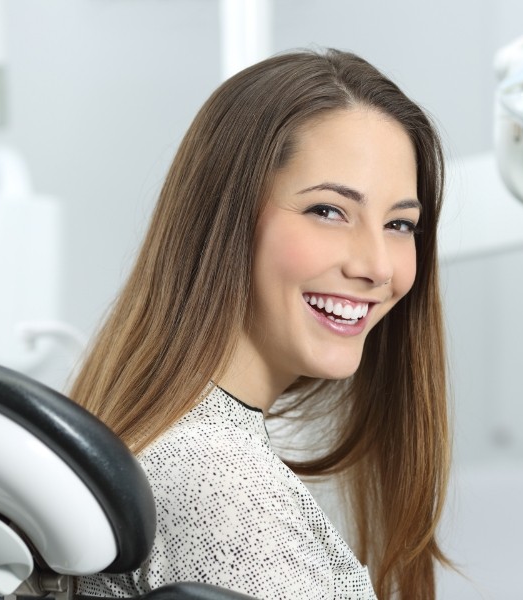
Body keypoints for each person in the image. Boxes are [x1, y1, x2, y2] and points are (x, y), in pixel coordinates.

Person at [72, 48, 450, 600]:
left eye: (399, 223)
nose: (375, 266)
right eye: (328, 210)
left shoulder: (179, 444)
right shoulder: (219, 483)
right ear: (225, 219)